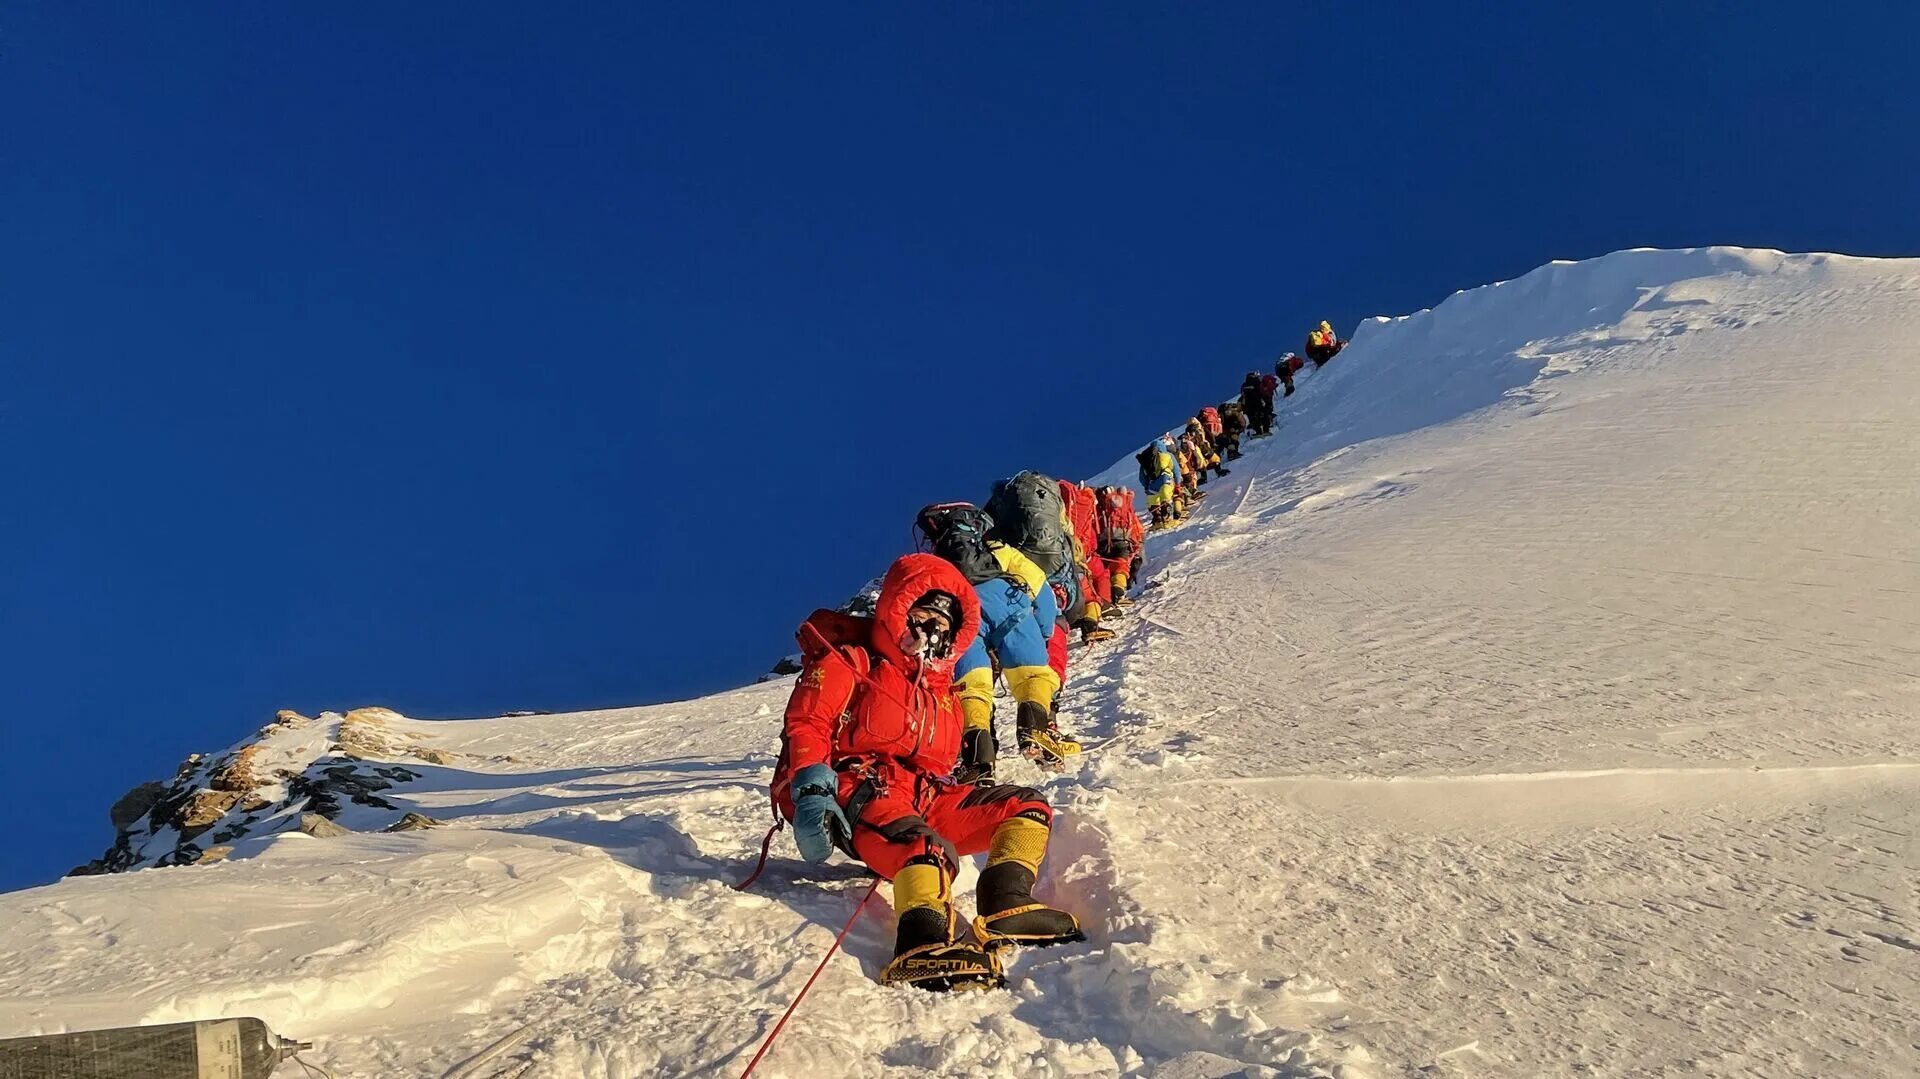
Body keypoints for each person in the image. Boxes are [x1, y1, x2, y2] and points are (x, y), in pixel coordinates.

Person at [776, 553, 1083, 990]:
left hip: (924, 794)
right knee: (927, 847)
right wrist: (811, 786)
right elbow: (809, 721)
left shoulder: (942, 694)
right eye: (923, 612)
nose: (933, 627)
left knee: (1025, 806)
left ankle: (1006, 903)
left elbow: (940, 763)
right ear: (896, 610)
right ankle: (920, 943)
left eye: (945, 620)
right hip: (859, 790)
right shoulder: (852, 661)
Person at [915, 503, 1079, 779]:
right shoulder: (997, 550)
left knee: (973, 689)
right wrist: (1043, 631)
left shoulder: (937, 565)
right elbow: (1040, 587)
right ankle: (1034, 729)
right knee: (1032, 676)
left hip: (964, 619)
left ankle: (979, 762)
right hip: (1011, 608)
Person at [1094, 485, 1142, 606]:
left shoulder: (1098, 509)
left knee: (1104, 572)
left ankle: (1107, 599)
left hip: (1102, 544)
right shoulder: (1125, 507)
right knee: (1121, 566)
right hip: (1122, 541)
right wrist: (1137, 545)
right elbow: (1137, 530)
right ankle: (1119, 587)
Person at [1137, 438, 1180, 530]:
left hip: (1151, 484)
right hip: (1165, 479)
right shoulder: (1168, 455)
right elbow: (1176, 471)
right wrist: (1177, 484)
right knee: (1165, 499)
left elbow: (1141, 477)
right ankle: (1166, 519)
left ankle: (1157, 520)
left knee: (1153, 502)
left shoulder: (1146, 458)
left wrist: (1146, 486)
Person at [1239, 372, 1274, 438]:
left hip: (1249, 404)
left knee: (1253, 417)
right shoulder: (1258, 382)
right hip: (1259, 401)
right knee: (1264, 414)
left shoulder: (1244, 385)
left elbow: (1242, 395)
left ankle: (1258, 432)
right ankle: (1266, 430)